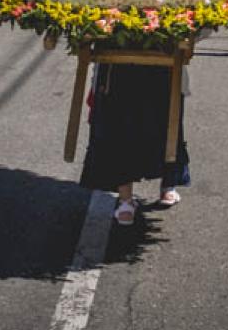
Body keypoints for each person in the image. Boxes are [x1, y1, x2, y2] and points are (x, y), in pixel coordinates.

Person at [80, 62, 190, 226]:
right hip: (121, 66)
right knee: (122, 127)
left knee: (162, 122)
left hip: (161, 65)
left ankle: (165, 185)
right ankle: (128, 199)